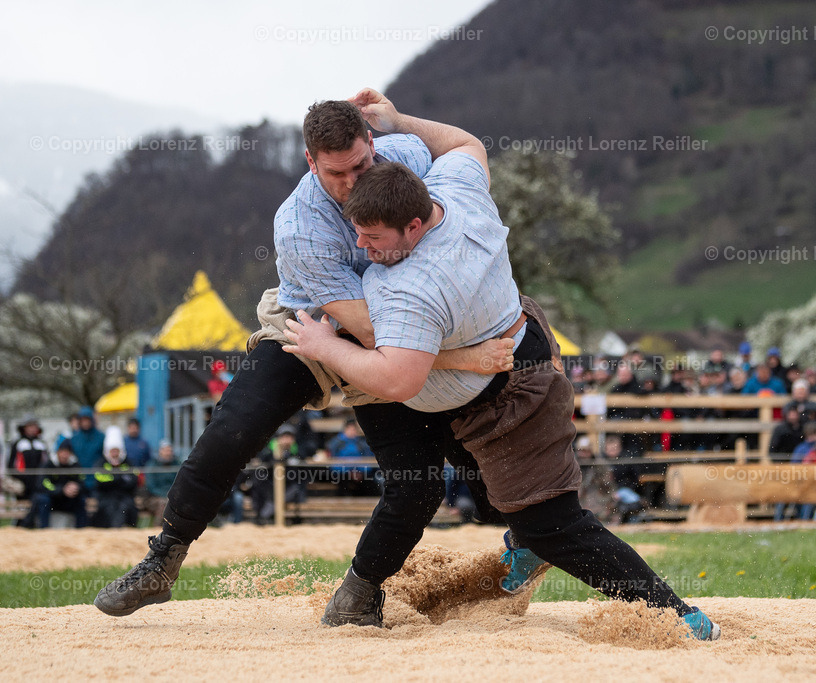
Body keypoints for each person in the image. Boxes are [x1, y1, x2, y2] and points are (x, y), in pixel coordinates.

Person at [94, 92, 535, 618]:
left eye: (361, 165)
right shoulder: (299, 226)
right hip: (315, 330)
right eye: (336, 174)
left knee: (419, 481)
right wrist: (464, 358)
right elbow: (372, 334)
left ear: (373, 143)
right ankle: (163, 558)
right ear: (310, 162)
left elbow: (463, 147)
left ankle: (362, 589)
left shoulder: (405, 158)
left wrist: (397, 118)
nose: (352, 183)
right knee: (234, 426)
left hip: (407, 336)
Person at [282, 132, 720, 639]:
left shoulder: (409, 286)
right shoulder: (458, 194)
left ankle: (675, 613)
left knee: (553, 524)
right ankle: (526, 542)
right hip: (506, 361)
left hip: (511, 396)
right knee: (488, 494)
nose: (361, 248)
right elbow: (465, 143)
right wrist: (399, 117)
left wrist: (325, 346)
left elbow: (398, 377)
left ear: (414, 224)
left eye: (373, 238)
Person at [31, 441, 88, 528]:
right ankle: (44, 529)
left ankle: (81, 529)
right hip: (52, 498)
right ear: (57, 452)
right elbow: (43, 484)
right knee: (43, 500)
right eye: (62, 452)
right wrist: (61, 490)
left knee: (81, 500)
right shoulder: (48, 464)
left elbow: (82, 482)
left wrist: (76, 487)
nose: (65, 455)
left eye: (67, 452)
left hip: (68, 499)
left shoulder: (75, 465)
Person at [92, 427, 139, 528]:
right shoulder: (101, 463)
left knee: (126, 506)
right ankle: (114, 529)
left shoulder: (128, 462)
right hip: (106, 496)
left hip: (125, 495)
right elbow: (100, 481)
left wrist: (113, 479)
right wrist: (119, 478)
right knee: (109, 507)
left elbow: (133, 480)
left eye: (116, 451)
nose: (114, 454)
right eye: (112, 451)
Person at [8, 415, 48, 527]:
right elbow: (12, 464)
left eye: (34, 425)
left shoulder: (41, 444)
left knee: (38, 504)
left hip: (38, 482)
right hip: (23, 482)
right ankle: (21, 525)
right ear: (24, 427)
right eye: (29, 426)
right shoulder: (18, 443)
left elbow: (46, 463)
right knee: (22, 508)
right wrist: (20, 479)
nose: (32, 428)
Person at [142, 440, 179, 527]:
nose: (168, 453)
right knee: (164, 503)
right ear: (160, 451)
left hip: (174, 496)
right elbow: (151, 486)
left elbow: (180, 483)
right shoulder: (152, 465)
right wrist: (167, 495)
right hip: (154, 497)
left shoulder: (177, 464)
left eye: (169, 450)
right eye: (165, 450)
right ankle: (158, 527)